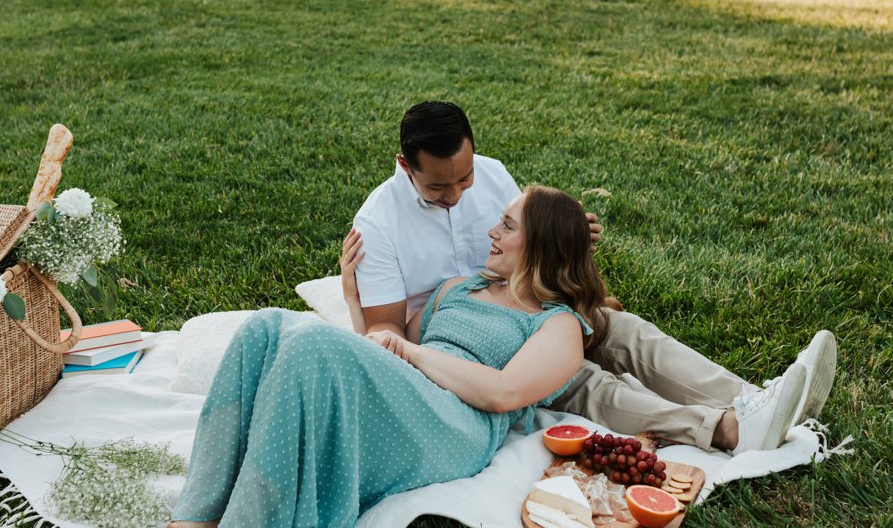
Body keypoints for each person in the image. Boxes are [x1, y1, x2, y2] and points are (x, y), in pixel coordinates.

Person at [137, 186, 730, 528]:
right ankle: (194, 518)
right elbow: (377, 352)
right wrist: (352, 297)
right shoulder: (459, 287)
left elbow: (501, 394)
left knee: (313, 345)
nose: (491, 231)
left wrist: (414, 353)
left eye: (506, 225)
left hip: (457, 422)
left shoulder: (557, 325)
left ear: (541, 245)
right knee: (266, 325)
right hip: (410, 395)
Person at [350, 100, 836, 454]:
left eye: (465, 178)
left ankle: (754, 400)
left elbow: (528, 234)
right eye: (439, 186)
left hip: (530, 297)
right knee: (582, 381)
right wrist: (356, 302)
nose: (457, 194)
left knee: (626, 332)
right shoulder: (378, 224)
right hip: (475, 342)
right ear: (405, 166)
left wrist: (563, 238)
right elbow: (387, 335)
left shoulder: (493, 173)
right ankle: (725, 429)